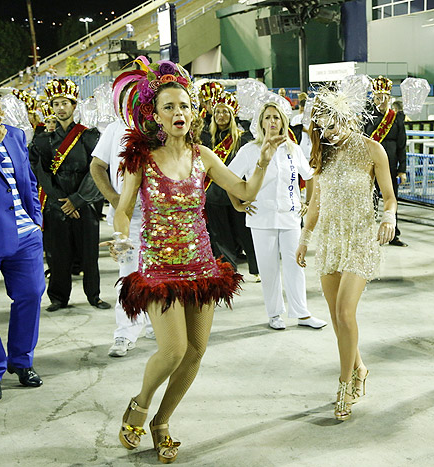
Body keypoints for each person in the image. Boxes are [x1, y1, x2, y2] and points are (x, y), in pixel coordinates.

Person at [111, 57, 276, 463]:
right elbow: (124, 207)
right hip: (158, 268)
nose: (178, 113)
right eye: (169, 107)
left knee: (197, 350)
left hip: (202, 265)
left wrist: (264, 161)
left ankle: (161, 422)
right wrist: (118, 237)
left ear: (193, 111)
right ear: (155, 115)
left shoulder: (203, 155)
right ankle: (140, 402)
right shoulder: (142, 158)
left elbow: (243, 190)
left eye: (183, 105)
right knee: (172, 349)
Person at [296, 88, 398, 420]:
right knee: (338, 317)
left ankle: (344, 383)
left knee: (343, 312)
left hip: (360, 238)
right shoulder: (323, 155)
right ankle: (359, 367)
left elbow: (389, 197)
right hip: (329, 239)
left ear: (349, 117)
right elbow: (315, 204)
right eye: (324, 128)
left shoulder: (372, 150)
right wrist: (303, 239)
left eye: (336, 125)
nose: (331, 133)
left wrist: (389, 217)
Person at [229, 102, 327, 330]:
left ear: (283, 122)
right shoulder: (250, 150)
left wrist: (307, 202)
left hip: (290, 217)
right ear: (261, 123)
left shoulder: (292, 150)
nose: (272, 121)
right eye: (267, 118)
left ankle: (301, 313)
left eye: (276, 117)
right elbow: (229, 179)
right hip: (261, 219)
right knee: (268, 268)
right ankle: (274, 314)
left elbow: (311, 175)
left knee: (296, 265)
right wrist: (238, 205)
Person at [28, 78, 110, 312]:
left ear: (74, 106)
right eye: (56, 104)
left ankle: (93, 295)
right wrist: (58, 199)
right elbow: (39, 170)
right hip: (56, 203)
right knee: (57, 254)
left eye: (65, 103)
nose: (61, 108)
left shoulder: (88, 135)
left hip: (84, 202)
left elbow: (96, 169)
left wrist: (76, 200)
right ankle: (58, 297)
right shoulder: (43, 138)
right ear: (51, 108)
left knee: (89, 253)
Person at [90, 118, 155, 357]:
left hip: (161, 215)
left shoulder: (164, 122)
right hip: (129, 216)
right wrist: (114, 199)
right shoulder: (116, 128)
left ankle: (154, 324)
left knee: (160, 273)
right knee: (129, 274)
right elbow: (97, 165)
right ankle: (125, 333)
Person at [0, 96, 46, 403]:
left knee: (30, 293)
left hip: (25, 234)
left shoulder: (15, 134)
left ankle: (21, 360)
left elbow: (27, 181)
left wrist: (36, 220)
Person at [199, 92, 260, 282]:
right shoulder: (206, 138)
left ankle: (256, 269)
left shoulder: (242, 139)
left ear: (232, 115)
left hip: (235, 193)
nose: (221, 116)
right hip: (214, 195)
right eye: (217, 112)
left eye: (225, 112)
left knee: (245, 232)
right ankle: (228, 270)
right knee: (220, 235)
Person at [364, 75, 408, 247]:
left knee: (392, 198)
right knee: (370, 199)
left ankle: (393, 234)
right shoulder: (367, 118)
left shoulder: (396, 118)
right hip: (370, 167)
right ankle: (369, 231)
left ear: (390, 98)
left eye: (384, 98)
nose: (381, 101)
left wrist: (402, 169)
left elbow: (402, 145)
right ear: (373, 98)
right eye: (377, 98)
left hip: (390, 165)